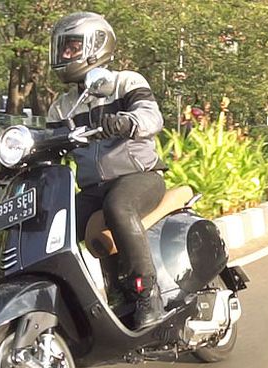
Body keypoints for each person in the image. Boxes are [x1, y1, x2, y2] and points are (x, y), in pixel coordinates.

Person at [47, 12, 168, 330]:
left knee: (118, 207)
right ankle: (95, 299)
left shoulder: (126, 82)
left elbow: (152, 117)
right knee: (55, 224)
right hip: (93, 189)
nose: (65, 54)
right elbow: (49, 148)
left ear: (96, 46)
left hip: (139, 177)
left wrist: (128, 122)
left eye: (72, 47)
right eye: (62, 48)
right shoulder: (61, 106)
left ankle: (147, 293)